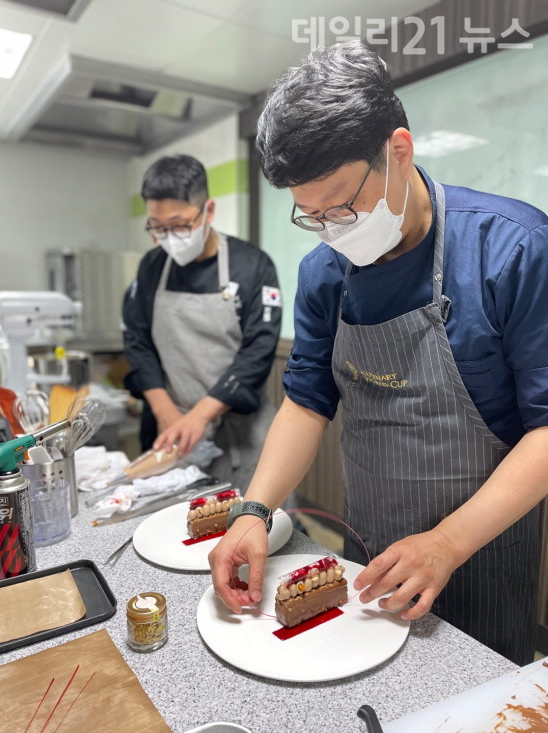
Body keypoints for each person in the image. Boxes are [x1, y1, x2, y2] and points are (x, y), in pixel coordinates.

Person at [208, 41, 548, 666]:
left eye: (343, 206)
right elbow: (306, 404)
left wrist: (448, 542)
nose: (334, 230)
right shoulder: (324, 274)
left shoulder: (513, 249)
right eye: (312, 216)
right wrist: (253, 511)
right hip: (368, 551)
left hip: (484, 549)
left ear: (399, 150)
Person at [123, 154, 281, 491]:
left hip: (240, 430)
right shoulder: (152, 266)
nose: (167, 238)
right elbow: (137, 341)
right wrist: (164, 410)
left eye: (179, 225)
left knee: (248, 523)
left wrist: (200, 415)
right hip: (173, 428)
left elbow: (258, 350)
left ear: (208, 211)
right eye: (157, 227)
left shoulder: (252, 266)